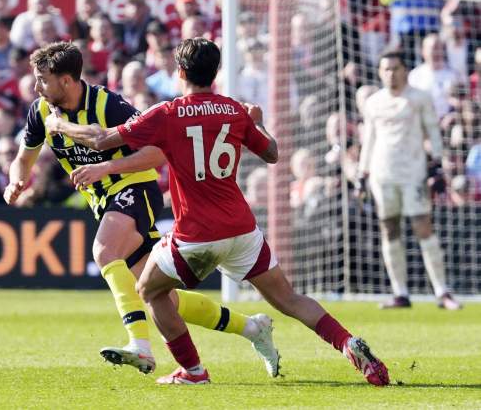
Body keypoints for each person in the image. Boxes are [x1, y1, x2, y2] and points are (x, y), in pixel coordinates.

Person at [46, 37, 389, 386]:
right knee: (289, 298)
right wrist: (258, 122)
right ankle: (348, 343)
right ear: (216, 72)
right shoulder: (233, 110)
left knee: (149, 291)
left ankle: (193, 370)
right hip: (242, 230)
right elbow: (272, 154)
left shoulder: (167, 113)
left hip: (195, 235)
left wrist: (60, 126)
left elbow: (101, 139)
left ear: (180, 72)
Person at [4, 41, 280, 377]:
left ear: (65, 80)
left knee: (104, 251)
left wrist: (107, 168)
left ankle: (141, 346)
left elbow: (158, 153)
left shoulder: (109, 105)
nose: (37, 88)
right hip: (102, 201)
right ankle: (252, 327)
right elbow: (23, 159)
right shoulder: (41, 112)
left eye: (43, 80)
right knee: (162, 297)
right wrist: (16, 181)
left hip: (135, 187)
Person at [357, 51, 462, 311]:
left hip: (414, 173)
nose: (390, 74)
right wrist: (362, 173)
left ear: (405, 70)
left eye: (395, 68)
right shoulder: (374, 102)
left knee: (422, 226)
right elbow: (369, 139)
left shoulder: (419, 98)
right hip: (382, 174)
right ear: (380, 73)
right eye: (386, 69)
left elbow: (433, 131)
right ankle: (400, 292)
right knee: (389, 228)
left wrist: (437, 164)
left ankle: (442, 291)